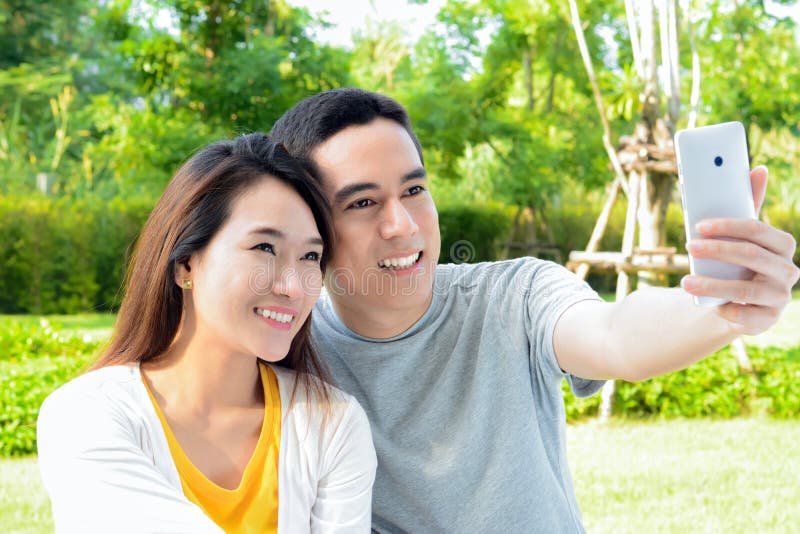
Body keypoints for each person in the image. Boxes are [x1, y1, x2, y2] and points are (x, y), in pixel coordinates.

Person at [269, 88, 800, 533]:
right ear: (309, 227)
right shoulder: (285, 346)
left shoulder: (514, 296)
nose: (402, 225)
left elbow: (616, 335)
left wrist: (719, 307)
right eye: (362, 203)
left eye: (414, 189)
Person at [37, 133, 377, 533]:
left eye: (309, 257)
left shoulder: (330, 424)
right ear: (185, 264)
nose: (295, 286)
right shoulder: (86, 415)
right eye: (264, 248)